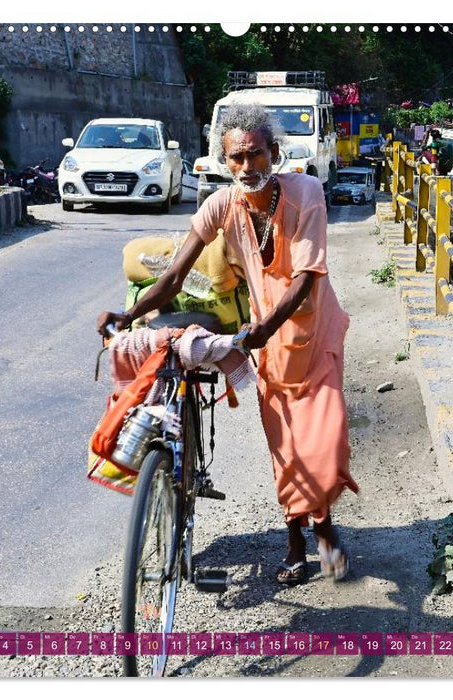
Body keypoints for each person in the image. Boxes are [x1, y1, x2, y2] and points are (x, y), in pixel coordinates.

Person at [97, 102, 358, 586]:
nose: (246, 166)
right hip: (271, 346)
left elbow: (306, 276)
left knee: (326, 445)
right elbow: (175, 275)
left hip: (315, 334)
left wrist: (265, 327)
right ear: (224, 161)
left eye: (255, 154)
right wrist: (129, 315)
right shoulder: (221, 205)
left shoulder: (306, 192)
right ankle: (298, 541)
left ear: (273, 152)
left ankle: (324, 528)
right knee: (286, 447)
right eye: (236, 158)